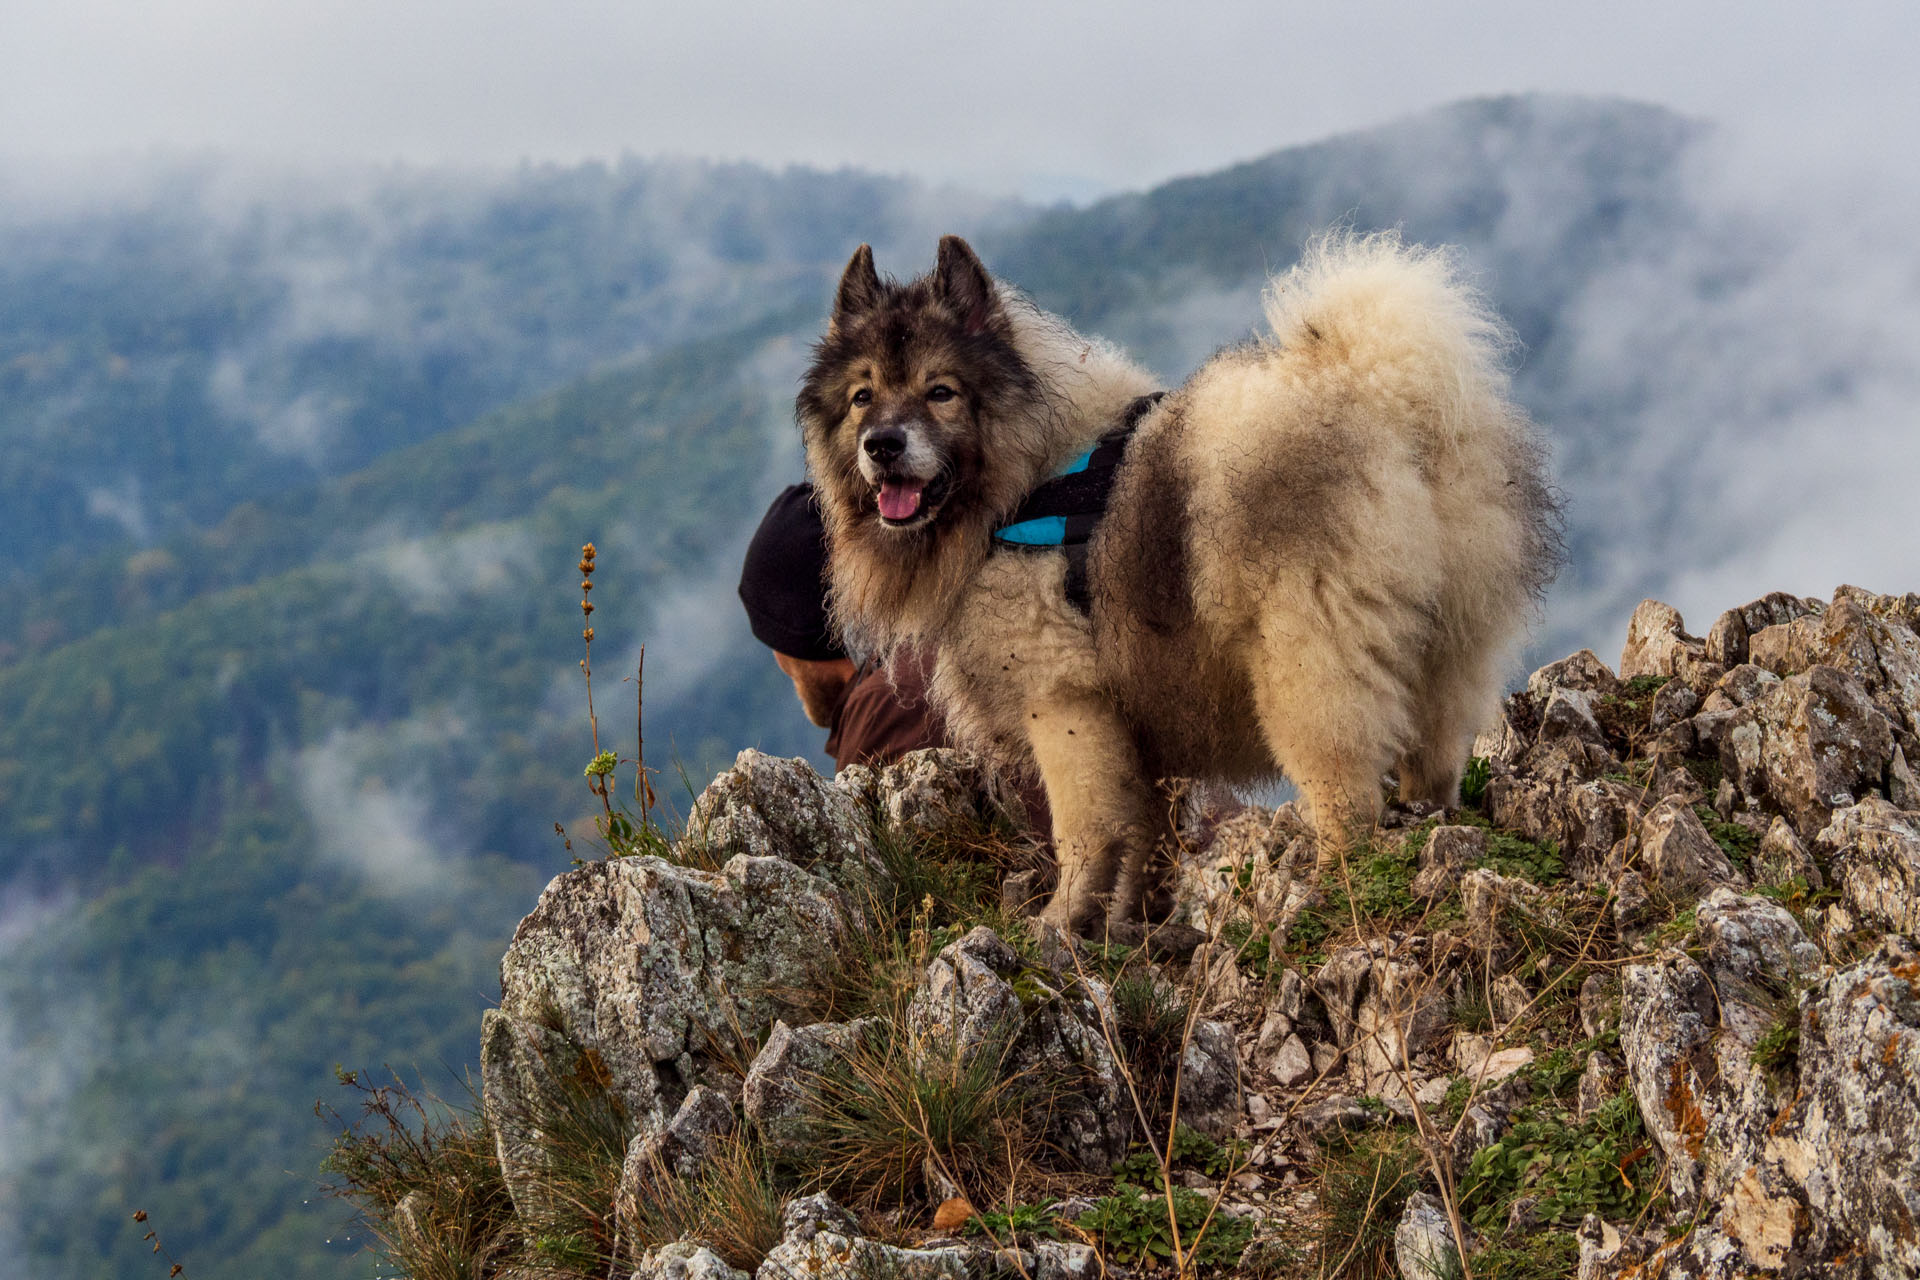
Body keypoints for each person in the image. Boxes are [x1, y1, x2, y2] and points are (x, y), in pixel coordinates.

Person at [738, 484, 946, 772]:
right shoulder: (934, 655)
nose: (779, 661)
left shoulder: (884, 715)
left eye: (774, 639)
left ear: (803, 634)